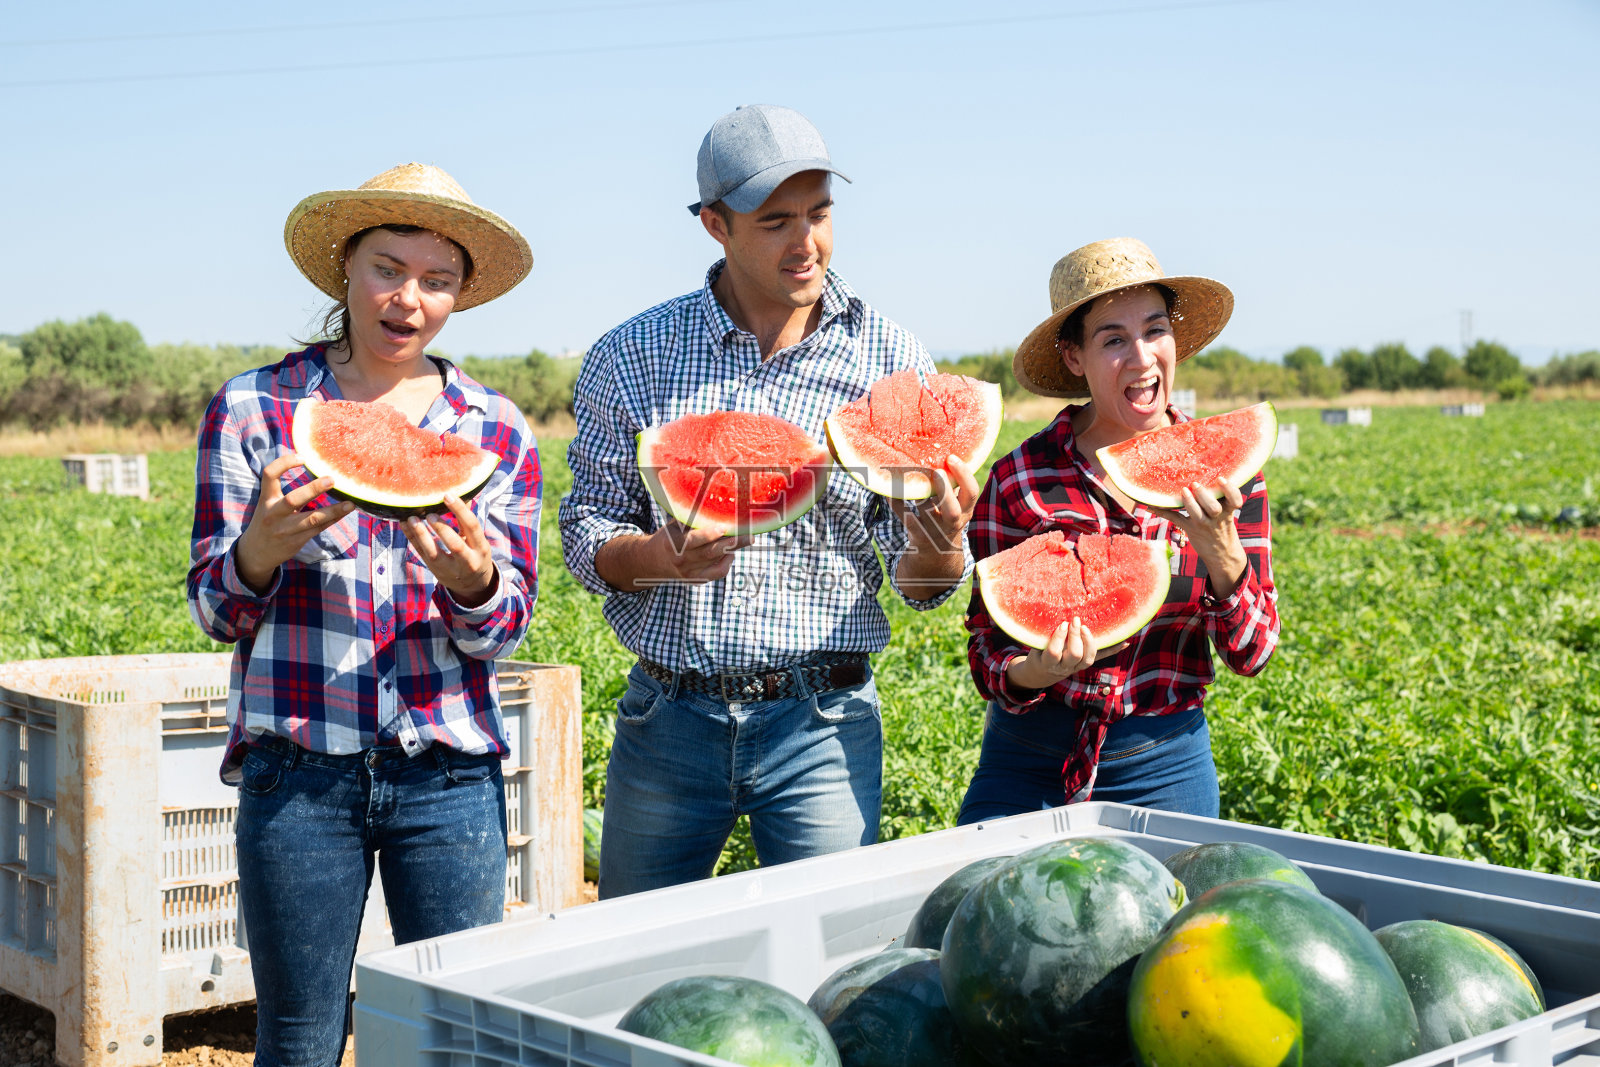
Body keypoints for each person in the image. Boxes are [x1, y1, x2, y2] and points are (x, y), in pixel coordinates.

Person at [559, 104, 978, 899]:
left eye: (820, 214)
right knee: (632, 957)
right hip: (669, 718)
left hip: (824, 722)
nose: (806, 242)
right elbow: (587, 531)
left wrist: (942, 538)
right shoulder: (632, 354)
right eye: (776, 220)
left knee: (828, 965)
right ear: (716, 224)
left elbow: (924, 588)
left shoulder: (890, 357)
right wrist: (658, 558)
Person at [187, 162, 540, 1066]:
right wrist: (261, 544)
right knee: (300, 1036)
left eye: (438, 279)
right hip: (297, 774)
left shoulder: (495, 430)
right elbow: (217, 608)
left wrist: (473, 583)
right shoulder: (254, 409)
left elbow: (506, 628)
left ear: (460, 294)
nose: (408, 299)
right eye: (388, 267)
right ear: (344, 268)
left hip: (449, 777)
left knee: (455, 1039)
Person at [959, 237, 1279, 823]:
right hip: (1028, 756)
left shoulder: (1227, 477)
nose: (1142, 357)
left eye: (1155, 330)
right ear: (1074, 357)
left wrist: (1222, 553)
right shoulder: (1018, 479)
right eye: (1113, 339)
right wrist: (1037, 672)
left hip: (1166, 761)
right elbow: (987, 650)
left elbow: (1254, 652)